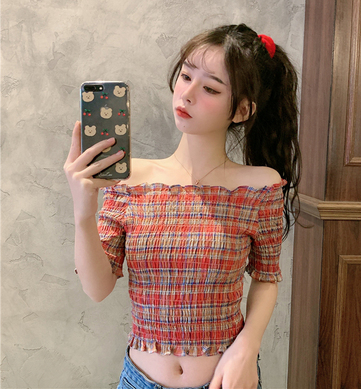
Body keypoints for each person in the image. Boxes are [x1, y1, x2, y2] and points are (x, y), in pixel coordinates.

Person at [64, 23, 301, 389]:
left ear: (241, 110)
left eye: (210, 88)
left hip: (224, 380)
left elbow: (266, 277)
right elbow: (97, 289)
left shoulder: (259, 187)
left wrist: (247, 348)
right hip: (140, 379)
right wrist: (83, 213)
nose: (187, 94)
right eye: (186, 76)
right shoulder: (129, 182)